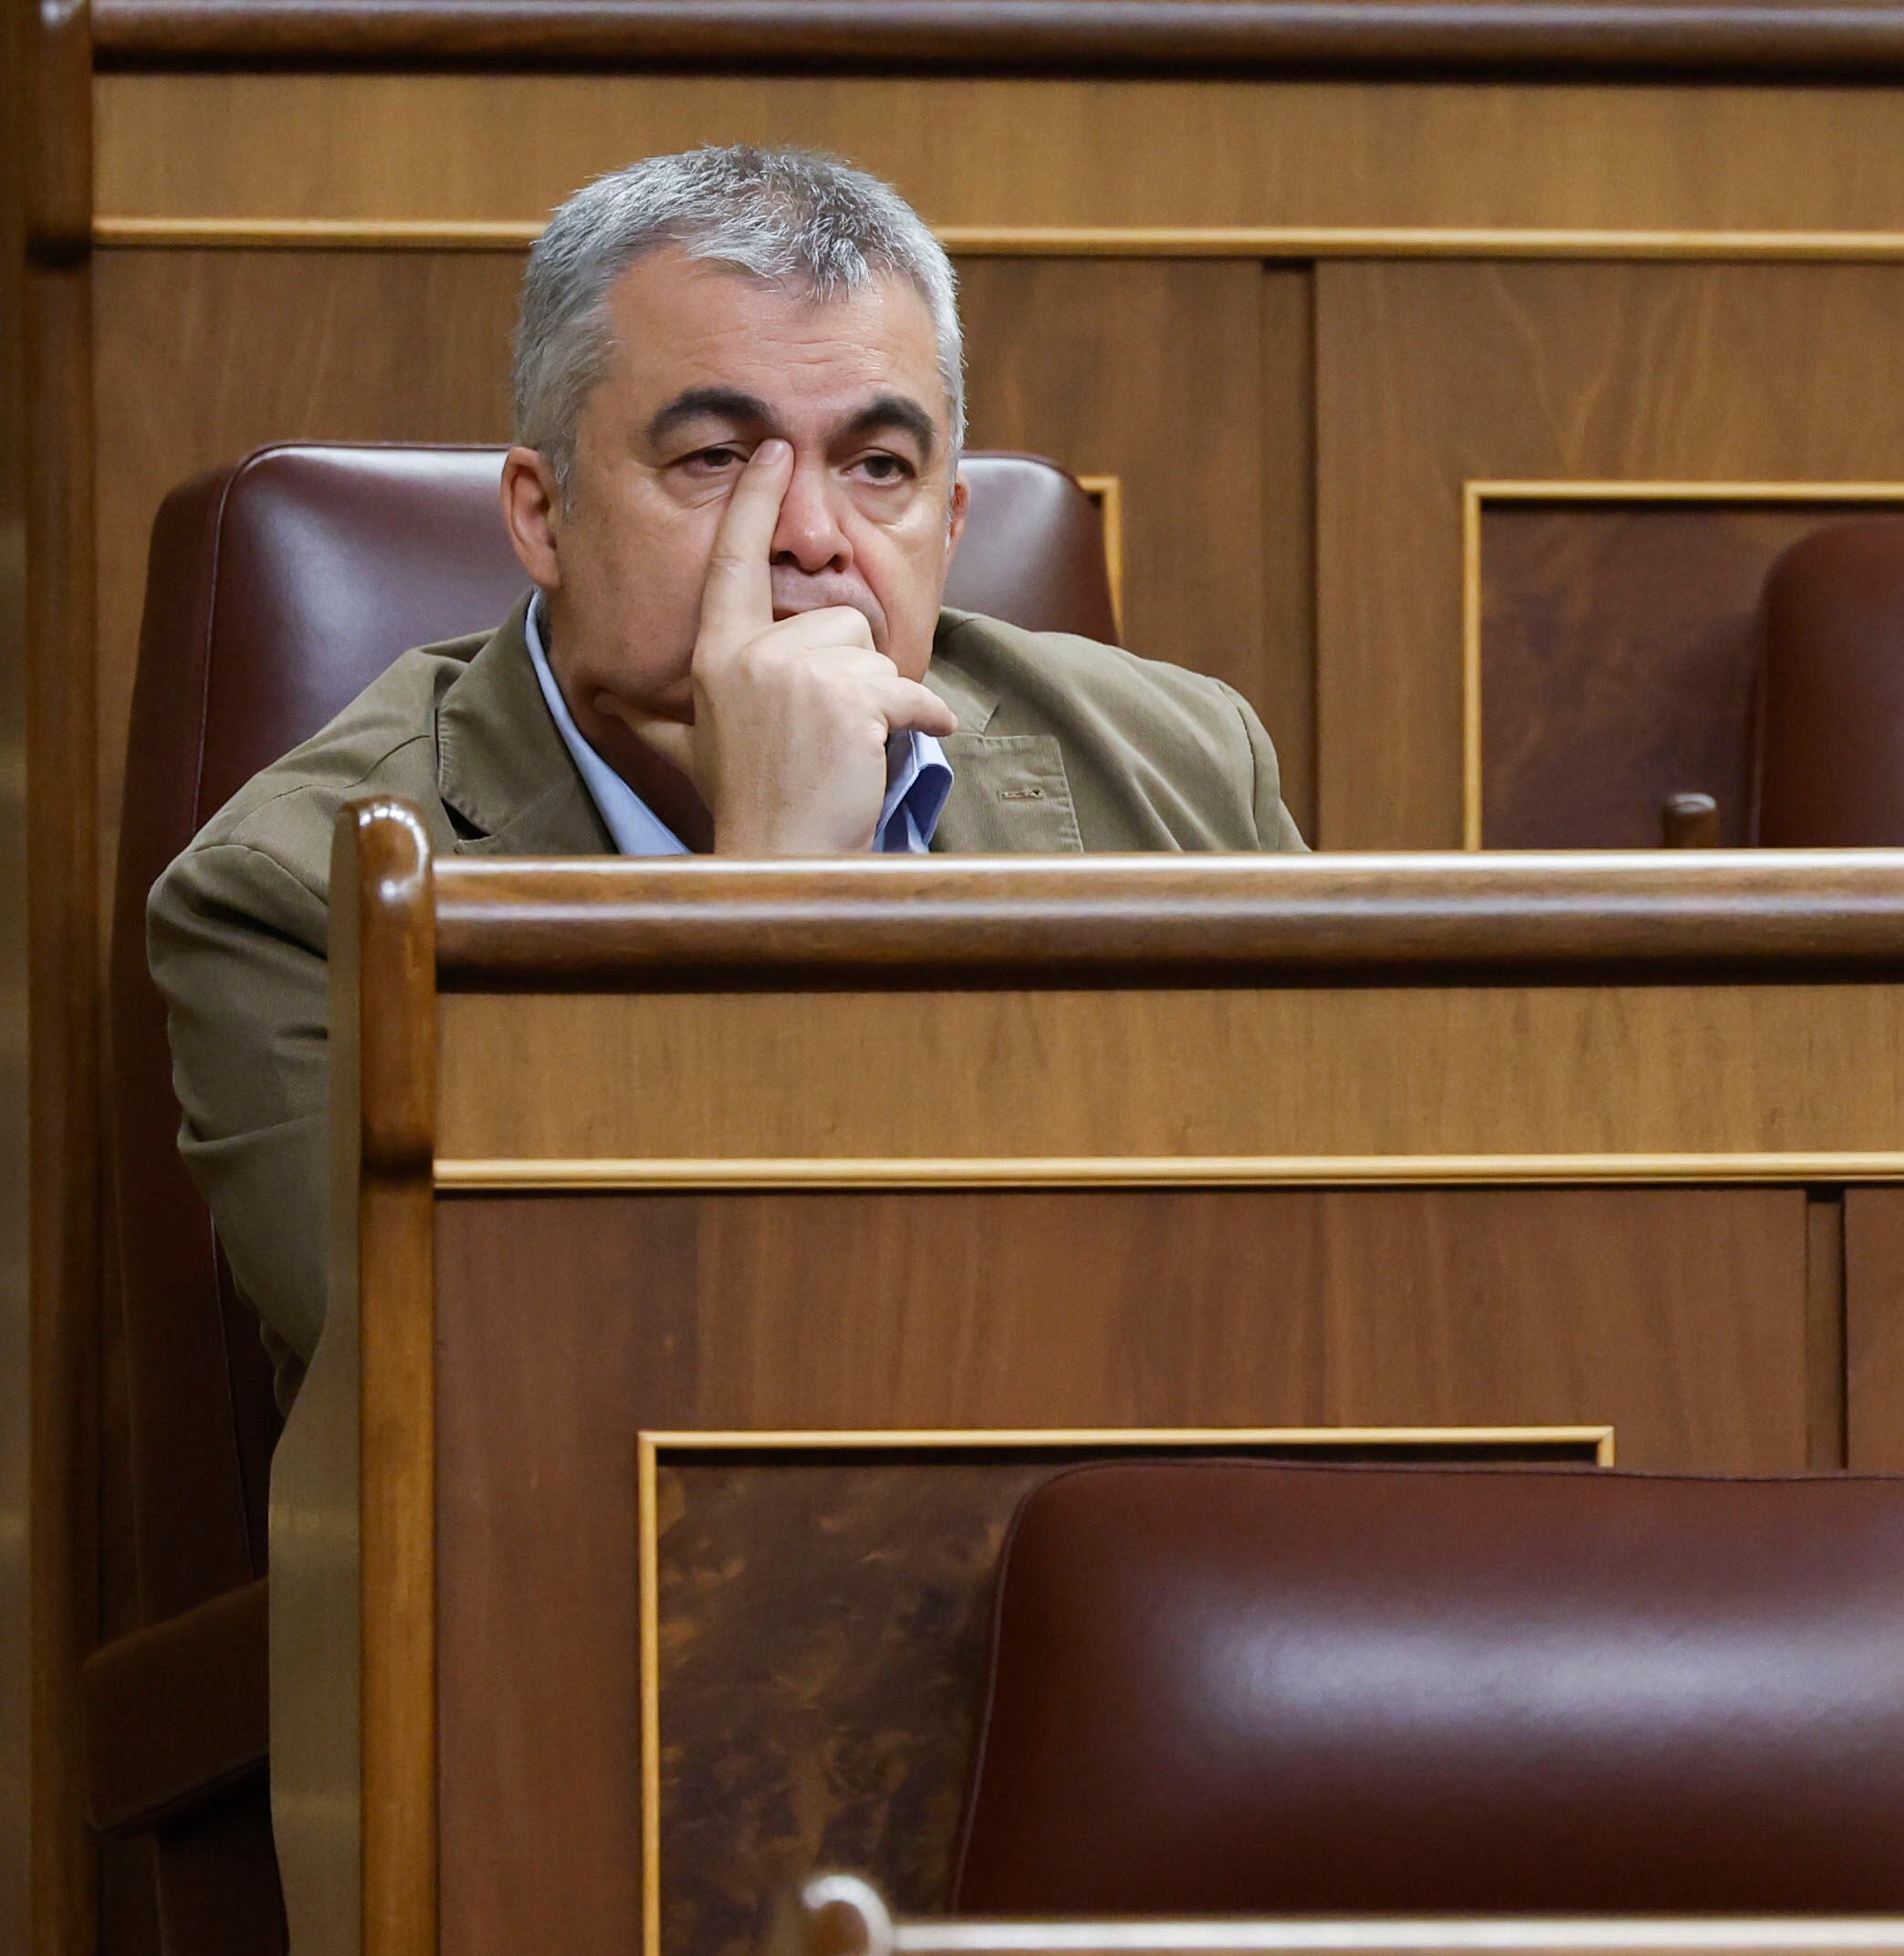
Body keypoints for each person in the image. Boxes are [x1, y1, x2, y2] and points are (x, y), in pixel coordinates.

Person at [152, 145, 1307, 1438]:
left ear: (954, 524)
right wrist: (772, 886)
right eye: (716, 459)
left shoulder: (1183, 769)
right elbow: (514, 1409)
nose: (811, 535)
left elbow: (1318, 1297)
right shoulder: (293, 900)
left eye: (880, 468)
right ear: (543, 514)